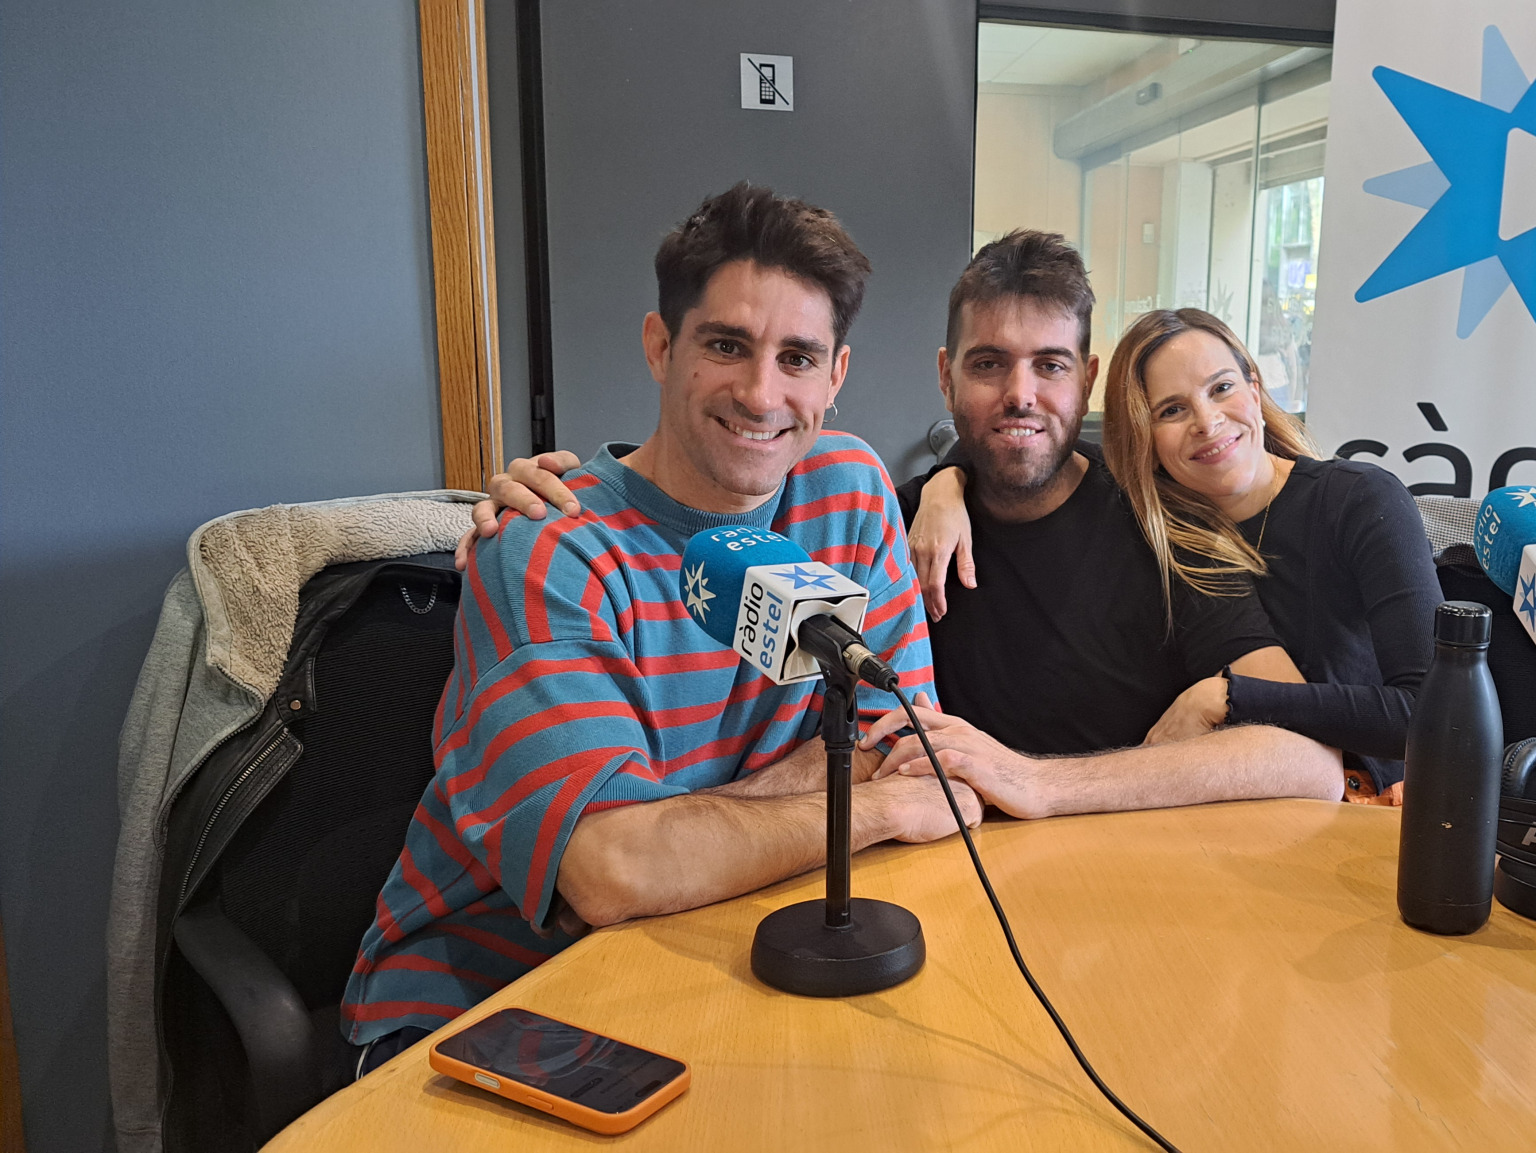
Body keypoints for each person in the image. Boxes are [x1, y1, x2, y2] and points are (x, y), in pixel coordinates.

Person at [342, 183, 978, 1072]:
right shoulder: (548, 548)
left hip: (726, 938)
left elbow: (903, 742)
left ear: (835, 376)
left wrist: (678, 831)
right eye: (726, 345)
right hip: (490, 1006)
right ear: (659, 346)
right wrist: (871, 806)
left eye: (798, 358)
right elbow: (612, 873)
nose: (760, 393)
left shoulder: (850, 489)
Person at [466, 230, 1344, 822]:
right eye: (989, 364)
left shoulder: (1159, 521)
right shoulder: (891, 514)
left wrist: (1038, 783)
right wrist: (547, 503)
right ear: (945, 375)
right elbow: (705, 475)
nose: (1020, 395)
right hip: (949, 887)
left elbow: (1306, 758)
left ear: (1087, 377)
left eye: (1048, 366)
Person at [905, 308, 1442, 802]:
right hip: (1253, 801)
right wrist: (947, 481)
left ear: (1255, 390)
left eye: (1222, 388)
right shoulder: (1159, 520)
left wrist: (1227, 697)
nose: (1206, 422)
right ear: (1145, 439)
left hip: (1374, 793)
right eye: (1172, 410)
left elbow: (1435, 711)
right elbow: (1029, 444)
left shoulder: (1359, 501)